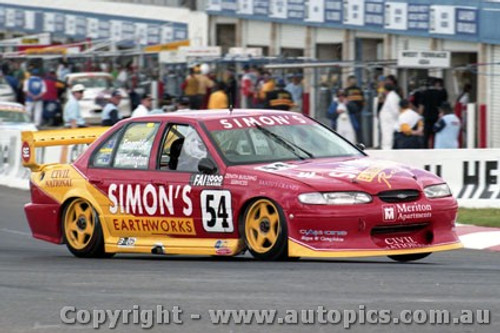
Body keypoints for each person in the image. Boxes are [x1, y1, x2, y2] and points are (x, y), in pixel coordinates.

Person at [420, 78, 448, 148]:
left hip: (427, 117)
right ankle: (435, 148)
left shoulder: (424, 93)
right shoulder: (440, 93)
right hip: (436, 117)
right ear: (436, 84)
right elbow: (441, 106)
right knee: (436, 135)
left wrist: (420, 116)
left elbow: (422, 106)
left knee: (426, 136)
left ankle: (425, 149)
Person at [379, 83, 401, 150]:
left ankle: (386, 150)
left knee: (387, 136)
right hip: (389, 119)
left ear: (386, 90)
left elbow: (394, 109)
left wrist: (398, 118)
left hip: (389, 120)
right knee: (387, 135)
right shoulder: (392, 96)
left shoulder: (392, 96)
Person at [344, 75, 364, 143]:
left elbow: (345, 101)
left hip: (350, 113)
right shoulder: (359, 90)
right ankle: (360, 142)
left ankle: (353, 142)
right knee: (358, 128)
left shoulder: (346, 91)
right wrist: (360, 109)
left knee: (351, 128)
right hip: (357, 112)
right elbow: (363, 102)